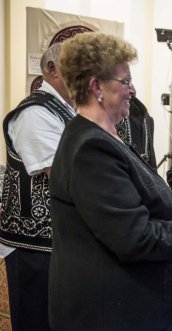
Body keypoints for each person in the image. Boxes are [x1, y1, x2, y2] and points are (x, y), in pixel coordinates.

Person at [48, 31, 172, 331]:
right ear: (96, 87)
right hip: (117, 313)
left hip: (138, 306)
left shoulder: (102, 136)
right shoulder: (92, 148)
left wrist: (165, 216)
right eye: (125, 81)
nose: (133, 89)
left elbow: (120, 213)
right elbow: (132, 237)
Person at [0, 43, 76, 331]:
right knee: (38, 322)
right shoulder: (34, 112)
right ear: (51, 69)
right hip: (34, 245)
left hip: (59, 243)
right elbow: (65, 171)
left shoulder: (66, 110)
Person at [116, 94, 157, 168]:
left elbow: (152, 165)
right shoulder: (111, 117)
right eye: (125, 82)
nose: (133, 90)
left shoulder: (145, 116)